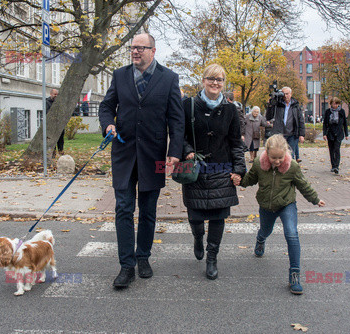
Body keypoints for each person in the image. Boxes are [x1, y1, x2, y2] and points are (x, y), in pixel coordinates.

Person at [99, 33, 184, 289]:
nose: (135, 52)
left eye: (140, 48)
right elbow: (106, 107)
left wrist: (175, 151)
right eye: (132, 48)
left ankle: (143, 257)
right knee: (123, 209)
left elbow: (176, 120)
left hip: (153, 155)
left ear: (153, 51)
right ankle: (126, 266)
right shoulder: (120, 75)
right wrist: (108, 125)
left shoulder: (169, 79)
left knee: (148, 211)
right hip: (123, 154)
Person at [235, 134, 325, 294]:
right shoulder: (258, 164)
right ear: (267, 154)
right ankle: (260, 240)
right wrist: (239, 180)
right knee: (265, 231)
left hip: (286, 204)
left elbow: (303, 185)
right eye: (273, 157)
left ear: (286, 153)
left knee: (291, 234)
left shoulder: (292, 167)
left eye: (280, 157)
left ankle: (295, 275)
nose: (277, 161)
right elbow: (250, 180)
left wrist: (315, 199)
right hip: (266, 206)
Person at [182, 64, 245, 280]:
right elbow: (179, 135)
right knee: (195, 215)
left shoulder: (230, 109)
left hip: (221, 169)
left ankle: (212, 257)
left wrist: (239, 170)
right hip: (195, 170)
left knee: (218, 217)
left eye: (219, 79)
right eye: (211, 78)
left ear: (223, 83)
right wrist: (187, 150)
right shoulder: (188, 105)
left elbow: (236, 142)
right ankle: (197, 237)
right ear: (203, 80)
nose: (215, 83)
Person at [265, 87, 305, 163]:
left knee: (290, 155)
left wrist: (301, 134)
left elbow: (300, 120)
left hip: (292, 134)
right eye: (284, 94)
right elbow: (269, 117)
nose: (285, 96)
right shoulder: (277, 104)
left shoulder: (295, 105)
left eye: (287, 94)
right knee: (279, 154)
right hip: (279, 134)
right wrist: (270, 104)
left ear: (291, 94)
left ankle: (290, 172)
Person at [323, 97, 349, 174]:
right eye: (333, 104)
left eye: (336, 104)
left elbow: (345, 123)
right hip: (330, 132)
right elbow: (325, 123)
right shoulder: (328, 112)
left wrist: (346, 134)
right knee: (331, 150)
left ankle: (336, 166)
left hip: (339, 132)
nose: (334, 105)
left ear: (338, 104)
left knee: (337, 149)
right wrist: (324, 134)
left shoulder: (342, 111)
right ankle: (333, 165)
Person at [45, 88, 64, 156]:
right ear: (51, 94)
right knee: (52, 140)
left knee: (61, 140)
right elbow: (47, 113)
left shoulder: (60, 102)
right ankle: (53, 153)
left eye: (57, 94)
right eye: (54, 94)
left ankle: (61, 152)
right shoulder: (47, 102)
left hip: (59, 124)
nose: (56, 96)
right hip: (51, 125)